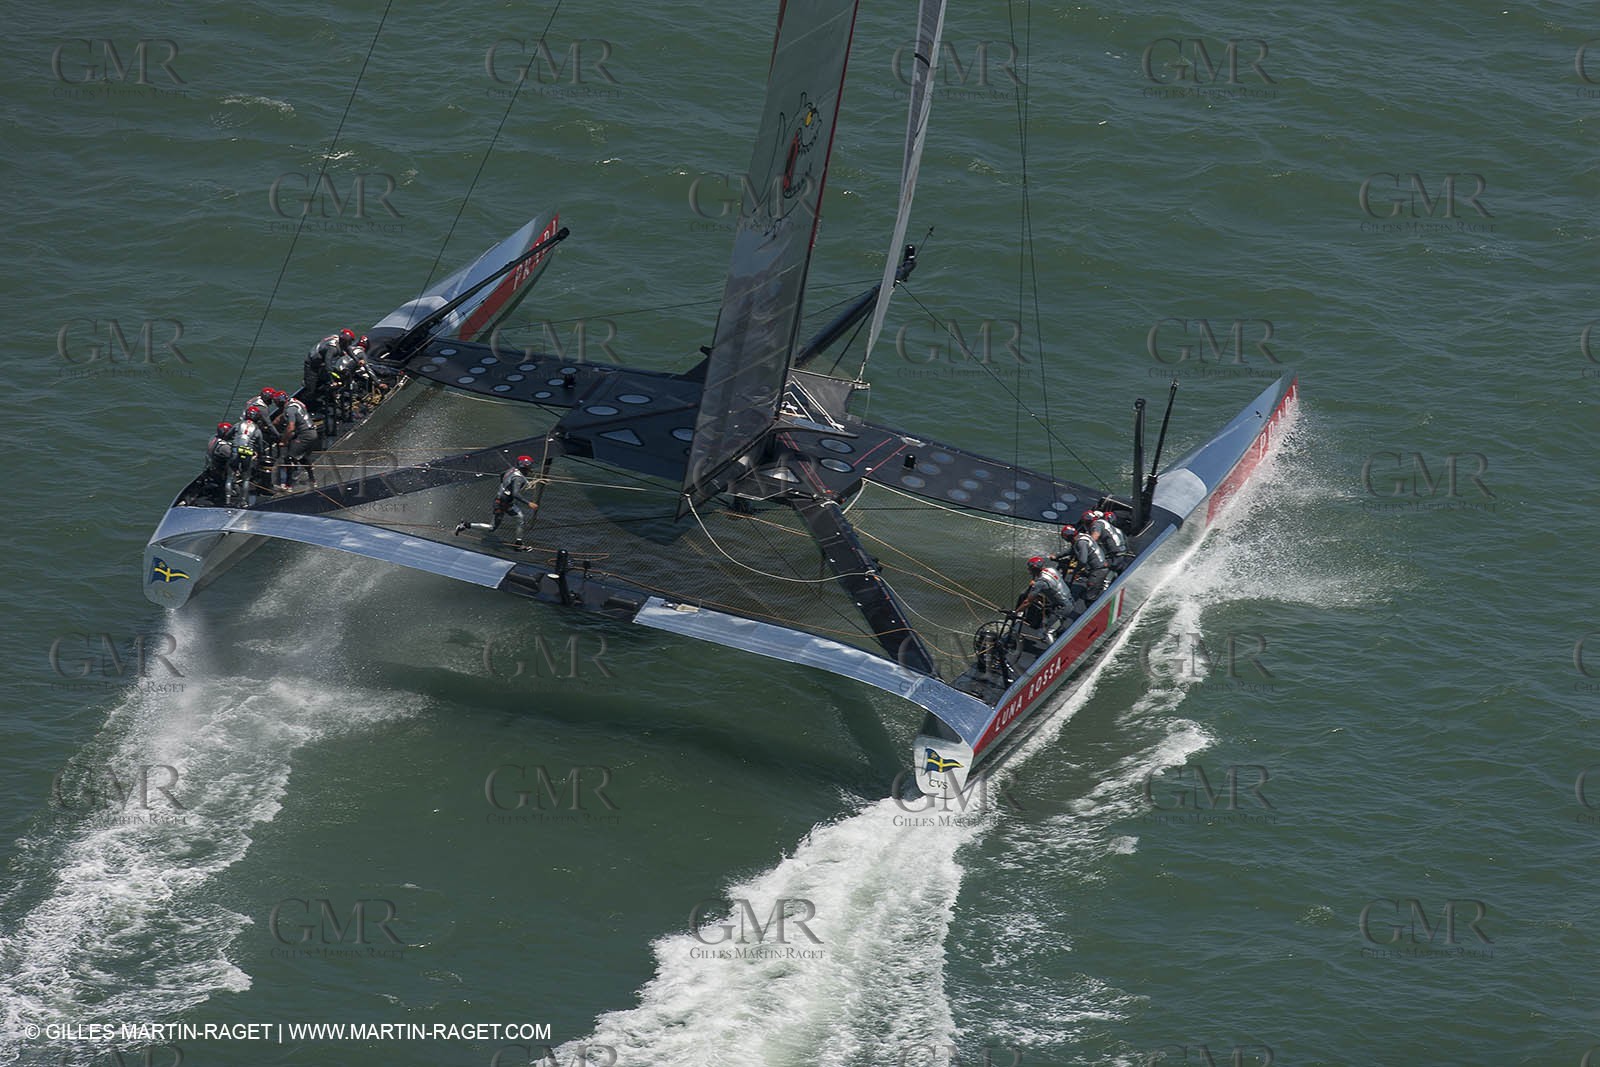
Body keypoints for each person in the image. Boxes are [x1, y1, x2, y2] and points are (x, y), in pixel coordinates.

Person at [455, 455, 540, 547]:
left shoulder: (512, 470)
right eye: (529, 466)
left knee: (520, 518)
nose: (531, 467)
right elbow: (515, 494)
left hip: (507, 503)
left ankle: (518, 543)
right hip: (501, 504)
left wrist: (503, 486)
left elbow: (502, 474)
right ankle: (465, 525)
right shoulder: (518, 478)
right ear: (525, 466)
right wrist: (529, 503)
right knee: (492, 528)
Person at [1015, 555, 1071, 638]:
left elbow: (1028, 602)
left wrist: (1016, 612)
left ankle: (1054, 649)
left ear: (1033, 569)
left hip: (1061, 608)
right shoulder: (1051, 570)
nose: (1028, 569)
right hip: (1069, 600)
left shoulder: (1040, 583)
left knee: (1045, 632)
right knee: (1056, 626)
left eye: (1029, 568)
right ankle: (1061, 633)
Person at [1059, 522, 1112, 604]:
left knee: (1089, 597)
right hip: (1098, 567)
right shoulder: (1083, 537)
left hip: (1098, 570)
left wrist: (1076, 570)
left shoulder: (1081, 543)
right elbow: (1072, 550)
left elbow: (1083, 561)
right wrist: (1057, 556)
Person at [276, 393, 320, 489]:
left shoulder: (290, 410)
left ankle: (288, 485)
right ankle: (312, 480)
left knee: (290, 457)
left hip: (305, 435)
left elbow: (291, 428)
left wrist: (284, 440)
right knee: (303, 456)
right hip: (312, 432)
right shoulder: (296, 403)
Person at [231, 409, 270, 505]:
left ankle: (229, 498)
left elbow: (229, 434)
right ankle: (243, 501)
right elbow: (260, 445)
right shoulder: (256, 430)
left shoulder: (238, 424)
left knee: (230, 475)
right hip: (248, 452)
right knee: (246, 478)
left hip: (236, 450)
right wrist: (260, 456)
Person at [201, 421, 235, 502]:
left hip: (211, 467)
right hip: (220, 471)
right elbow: (234, 457)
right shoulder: (224, 447)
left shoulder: (214, 438)